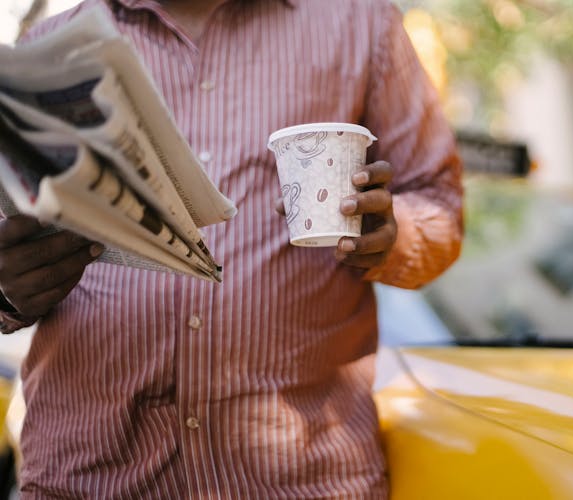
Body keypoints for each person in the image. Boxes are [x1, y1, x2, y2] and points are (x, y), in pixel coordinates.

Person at [0, 0, 463, 497]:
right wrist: (7, 292)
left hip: (306, 482)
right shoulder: (48, 51)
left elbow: (440, 207)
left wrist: (391, 236)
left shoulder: (361, 23)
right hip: (89, 478)